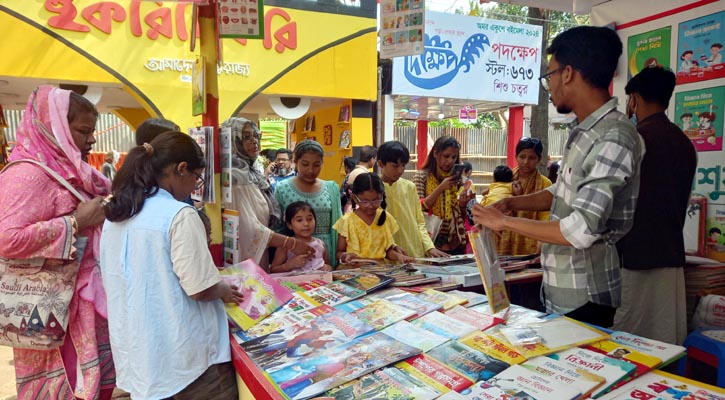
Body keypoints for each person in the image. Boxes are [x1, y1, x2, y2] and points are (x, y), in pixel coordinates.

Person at [472, 26, 644, 327]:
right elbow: (560, 193)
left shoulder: (614, 137)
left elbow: (581, 230)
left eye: (549, 76)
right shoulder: (584, 132)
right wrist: (511, 204)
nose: (548, 86)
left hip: (586, 295)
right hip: (561, 289)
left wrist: (503, 222)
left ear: (567, 74)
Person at [100, 131, 244, 399]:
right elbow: (200, 289)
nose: (194, 186)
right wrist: (223, 289)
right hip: (187, 361)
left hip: (139, 353)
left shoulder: (116, 215)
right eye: (196, 178)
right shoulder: (179, 215)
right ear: (181, 169)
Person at [0, 86, 115, 399]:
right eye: (83, 131)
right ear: (56, 127)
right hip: (52, 312)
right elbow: (6, 238)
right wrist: (76, 223)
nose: (91, 139)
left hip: (82, 308)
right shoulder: (26, 175)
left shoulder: (72, 171)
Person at [613, 67, 697, 345]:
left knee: (627, 343)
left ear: (634, 99)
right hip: (670, 257)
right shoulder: (684, 143)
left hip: (634, 257)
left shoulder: (635, 138)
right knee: (664, 338)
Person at [222, 118, 312, 269]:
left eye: (256, 136)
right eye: (246, 137)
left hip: (259, 249)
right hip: (244, 253)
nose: (254, 141)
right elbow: (249, 227)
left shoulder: (251, 171)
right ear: (231, 139)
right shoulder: (235, 177)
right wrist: (291, 243)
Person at [275, 140, 343, 266]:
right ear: (295, 162)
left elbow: (339, 227)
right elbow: (278, 227)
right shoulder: (282, 189)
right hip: (294, 254)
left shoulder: (331, 188)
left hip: (325, 253)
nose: (311, 170)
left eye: (316, 165)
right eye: (305, 164)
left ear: (322, 163)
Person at [377, 141, 448, 258]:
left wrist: (429, 247)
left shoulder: (410, 187)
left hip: (416, 252)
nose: (400, 170)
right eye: (395, 166)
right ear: (381, 164)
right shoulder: (373, 190)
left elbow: (420, 222)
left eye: (403, 165)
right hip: (389, 256)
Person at [334, 173, 414, 265]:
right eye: (365, 201)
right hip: (354, 271)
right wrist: (345, 256)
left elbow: (387, 251)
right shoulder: (346, 222)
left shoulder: (386, 218)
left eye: (376, 201)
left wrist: (399, 257)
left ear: (382, 196)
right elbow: (339, 252)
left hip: (379, 272)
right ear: (354, 198)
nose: (370, 206)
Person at [414, 136, 475, 254]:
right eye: (446, 156)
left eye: (454, 157)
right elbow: (419, 208)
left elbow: (461, 215)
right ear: (436, 153)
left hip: (455, 240)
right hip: (431, 238)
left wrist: (463, 204)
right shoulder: (421, 176)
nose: (450, 161)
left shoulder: (457, 179)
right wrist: (441, 187)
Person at [494, 138, 552, 256]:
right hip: (503, 236)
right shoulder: (505, 177)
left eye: (531, 158)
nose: (526, 162)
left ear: (539, 159)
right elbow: (493, 196)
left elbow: (545, 219)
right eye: (522, 157)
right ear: (516, 157)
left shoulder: (545, 184)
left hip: (531, 239)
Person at [271, 201, 332, 273]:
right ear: (289, 225)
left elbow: (328, 265)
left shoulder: (320, 244)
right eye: (299, 220)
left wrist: (328, 268)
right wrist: (289, 265)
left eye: (309, 219)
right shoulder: (286, 245)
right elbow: (273, 270)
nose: (306, 224)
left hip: (319, 283)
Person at [343, 146, 378, 213]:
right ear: (371, 159)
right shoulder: (364, 175)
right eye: (375, 159)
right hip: (358, 210)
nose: (375, 161)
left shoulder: (353, 172)